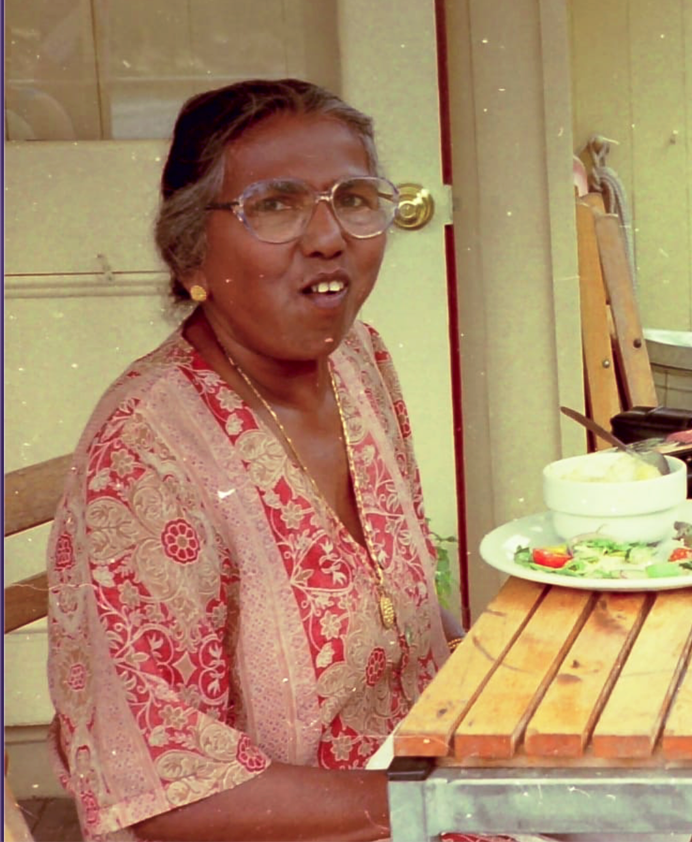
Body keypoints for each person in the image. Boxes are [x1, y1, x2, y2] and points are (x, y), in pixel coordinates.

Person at [44, 79, 483, 842]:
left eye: (353, 197)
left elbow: (397, 604)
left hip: (423, 788)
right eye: (275, 205)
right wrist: (452, 801)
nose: (328, 236)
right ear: (190, 250)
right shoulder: (143, 456)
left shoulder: (359, 364)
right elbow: (165, 790)